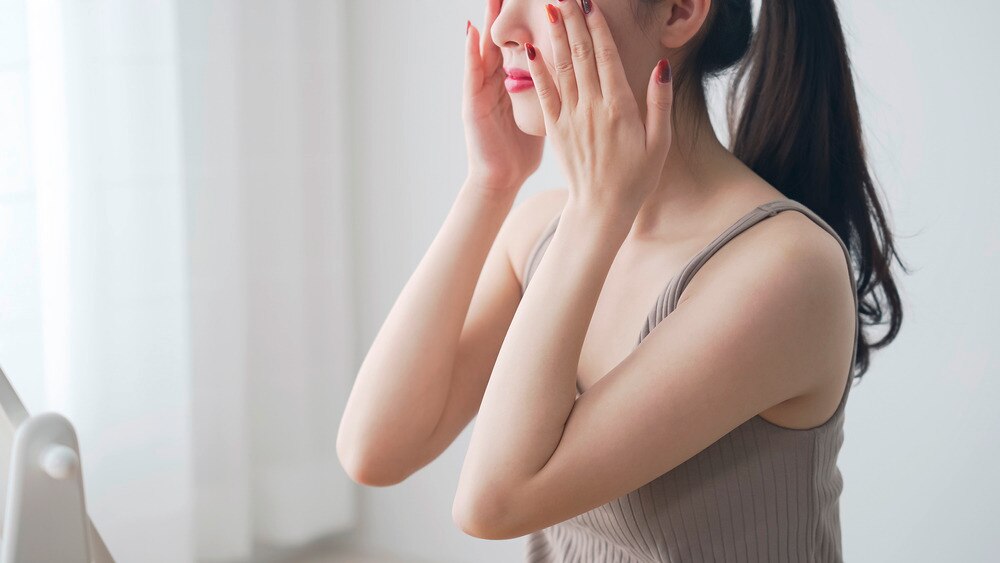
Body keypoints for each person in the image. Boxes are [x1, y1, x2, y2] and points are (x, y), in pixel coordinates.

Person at [337, 0, 906, 561]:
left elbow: (492, 505)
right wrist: (492, 182)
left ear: (680, 12)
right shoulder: (542, 234)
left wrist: (595, 212)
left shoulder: (785, 269)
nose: (505, 27)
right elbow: (374, 450)